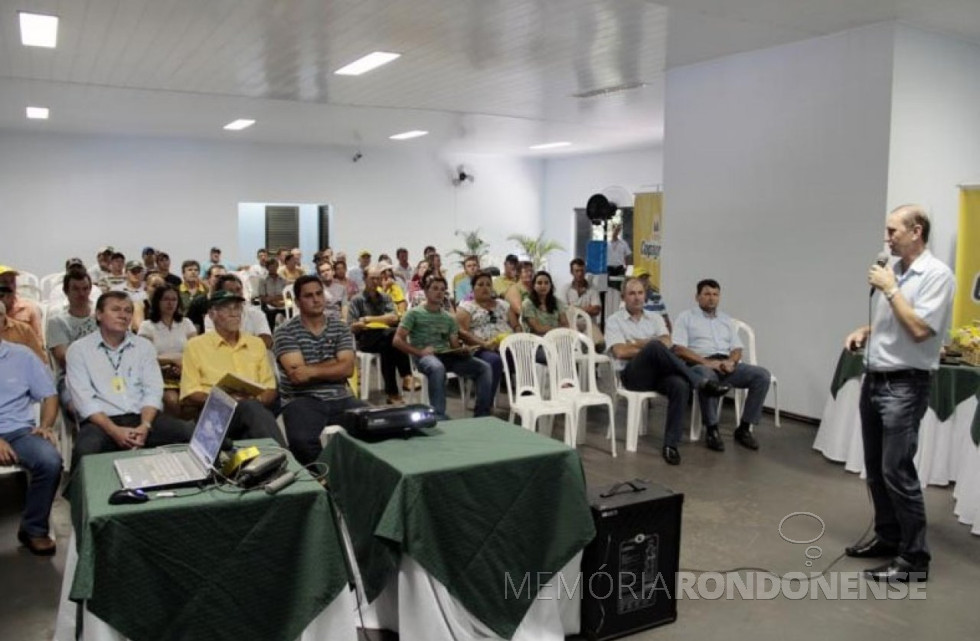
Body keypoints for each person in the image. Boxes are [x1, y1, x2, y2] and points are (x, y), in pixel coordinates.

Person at [843, 205, 954, 583]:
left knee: (897, 471)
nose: (886, 238)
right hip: (875, 379)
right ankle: (889, 539)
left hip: (905, 385)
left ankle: (914, 558)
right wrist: (865, 330)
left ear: (916, 231)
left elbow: (922, 330)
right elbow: (895, 323)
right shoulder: (898, 273)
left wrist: (890, 290)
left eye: (892, 231)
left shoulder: (936, 275)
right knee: (875, 469)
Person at [605, 278, 731, 465]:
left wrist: (637, 343)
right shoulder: (614, 320)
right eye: (632, 293)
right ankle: (699, 381)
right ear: (623, 297)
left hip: (659, 375)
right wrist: (649, 348)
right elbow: (620, 352)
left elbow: (668, 343)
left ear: (645, 295)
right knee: (655, 346)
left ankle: (670, 445)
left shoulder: (655, 318)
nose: (637, 297)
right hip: (632, 376)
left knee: (679, 385)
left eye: (640, 293)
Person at [65, 292, 194, 469]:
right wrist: (114, 431)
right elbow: (84, 401)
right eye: (116, 309)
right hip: (102, 423)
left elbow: (153, 391)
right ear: (99, 314)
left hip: (143, 418)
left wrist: (145, 425)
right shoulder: (79, 350)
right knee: (86, 450)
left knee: (189, 432)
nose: (123, 315)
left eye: (127, 311)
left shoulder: (144, 347)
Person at [672, 279, 772, 452]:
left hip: (725, 364)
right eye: (707, 294)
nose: (712, 298)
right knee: (708, 378)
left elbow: (737, 348)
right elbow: (679, 349)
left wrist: (731, 362)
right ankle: (712, 430)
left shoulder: (725, 320)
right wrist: (708, 363)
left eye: (715, 294)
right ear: (697, 297)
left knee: (762, 375)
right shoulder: (686, 317)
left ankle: (744, 428)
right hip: (699, 364)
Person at [274, 275, 362, 464]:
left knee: (378, 428)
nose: (316, 299)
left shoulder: (340, 327)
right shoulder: (285, 331)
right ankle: (323, 483)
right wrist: (332, 363)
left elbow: (347, 369)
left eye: (319, 293)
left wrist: (311, 370)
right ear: (297, 301)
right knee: (302, 442)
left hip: (341, 397)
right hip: (302, 399)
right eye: (308, 296)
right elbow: (298, 376)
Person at [179, 290, 285, 446]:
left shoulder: (256, 344)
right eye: (226, 308)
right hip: (215, 416)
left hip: (254, 410)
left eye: (237, 308)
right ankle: (285, 458)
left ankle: (275, 459)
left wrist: (256, 400)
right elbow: (190, 393)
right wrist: (227, 399)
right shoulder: (195, 346)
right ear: (212, 314)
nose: (234, 313)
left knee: (251, 412)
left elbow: (270, 389)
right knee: (250, 412)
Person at [393, 275, 493, 420]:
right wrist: (419, 352)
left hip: (447, 355)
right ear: (426, 292)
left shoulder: (448, 318)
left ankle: (482, 413)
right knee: (437, 367)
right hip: (425, 356)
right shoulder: (413, 313)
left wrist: (461, 351)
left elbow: (453, 344)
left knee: (484, 367)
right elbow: (397, 340)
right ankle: (438, 415)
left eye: (442, 290)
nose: (439, 292)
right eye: (435, 289)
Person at [0, 335, 61, 556]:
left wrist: (46, 425)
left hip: (19, 431)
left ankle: (33, 529)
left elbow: (50, 395)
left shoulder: (22, 355)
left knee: (50, 461)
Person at [347, 266, 413, 404]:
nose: (375, 281)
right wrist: (363, 324)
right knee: (393, 337)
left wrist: (368, 319)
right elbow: (351, 325)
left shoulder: (385, 297)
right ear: (365, 279)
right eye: (372, 278)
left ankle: (393, 393)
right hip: (366, 338)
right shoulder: (357, 300)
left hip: (384, 336)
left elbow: (394, 318)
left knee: (388, 344)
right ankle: (406, 375)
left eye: (378, 278)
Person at [457, 271, 518, 401]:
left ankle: (527, 399)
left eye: (488, 284)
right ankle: (485, 406)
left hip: (507, 346)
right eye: (480, 284)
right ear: (473, 288)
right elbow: (462, 333)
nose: (485, 288)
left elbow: (516, 325)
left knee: (526, 356)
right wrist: (484, 344)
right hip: (480, 348)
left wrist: (518, 336)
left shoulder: (503, 305)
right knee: (494, 361)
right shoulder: (466, 307)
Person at [138, 284, 198, 417]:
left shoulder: (186, 323)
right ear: (157, 302)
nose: (170, 303)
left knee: (197, 398)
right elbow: (144, 356)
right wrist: (172, 360)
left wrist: (182, 365)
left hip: (185, 373)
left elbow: (196, 351)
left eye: (174, 299)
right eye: (166, 299)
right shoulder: (147, 326)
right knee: (172, 400)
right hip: (159, 375)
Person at [46, 268, 99, 411]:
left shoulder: (102, 318)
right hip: (71, 378)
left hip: (105, 374)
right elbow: (65, 358)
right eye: (75, 289)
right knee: (81, 408)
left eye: (85, 288)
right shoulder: (56, 322)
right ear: (66, 291)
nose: (82, 293)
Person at [204, 274, 273, 348]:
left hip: (252, 355)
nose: (236, 294)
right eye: (230, 291)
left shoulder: (256, 313)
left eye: (238, 289)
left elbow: (267, 341)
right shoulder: (212, 316)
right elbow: (213, 343)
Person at [563, 258, 605, 350]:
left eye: (582, 270)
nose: (580, 273)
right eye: (577, 271)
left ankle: (593, 363)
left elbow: (596, 310)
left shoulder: (593, 289)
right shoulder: (566, 289)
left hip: (589, 323)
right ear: (571, 272)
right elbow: (564, 311)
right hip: (571, 324)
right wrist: (587, 309)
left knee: (600, 344)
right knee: (570, 346)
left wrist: (574, 309)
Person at [0, 265, 43, 339]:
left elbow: (38, 341)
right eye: (5, 282)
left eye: (12, 281)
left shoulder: (29, 309)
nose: (10, 286)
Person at [521, 270, 569, 336]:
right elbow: (538, 328)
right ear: (534, 286)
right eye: (539, 283)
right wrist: (557, 328)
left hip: (557, 338)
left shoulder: (557, 302)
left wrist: (555, 330)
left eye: (546, 283)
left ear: (550, 286)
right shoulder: (528, 304)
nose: (543, 286)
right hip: (536, 340)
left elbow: (565, 324)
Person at [634, 267, 671, 333]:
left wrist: (669, 335)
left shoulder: (657, 297)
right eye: (641, 279)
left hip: (657, 336)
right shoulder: (631, 299)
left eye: (646, 279)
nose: (644, 282)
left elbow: (665, 318)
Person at [259, 257, 287, 328]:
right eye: (271, 266)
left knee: (289, 312)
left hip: (281, 304)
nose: (273, 268)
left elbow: (285, 295)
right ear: (267, 267)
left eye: (275, 265)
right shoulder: (263, 280)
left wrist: (278, 300)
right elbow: (263, 297)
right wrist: (274, 302)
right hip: (269, 305)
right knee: (270, 314)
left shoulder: (282, 279)